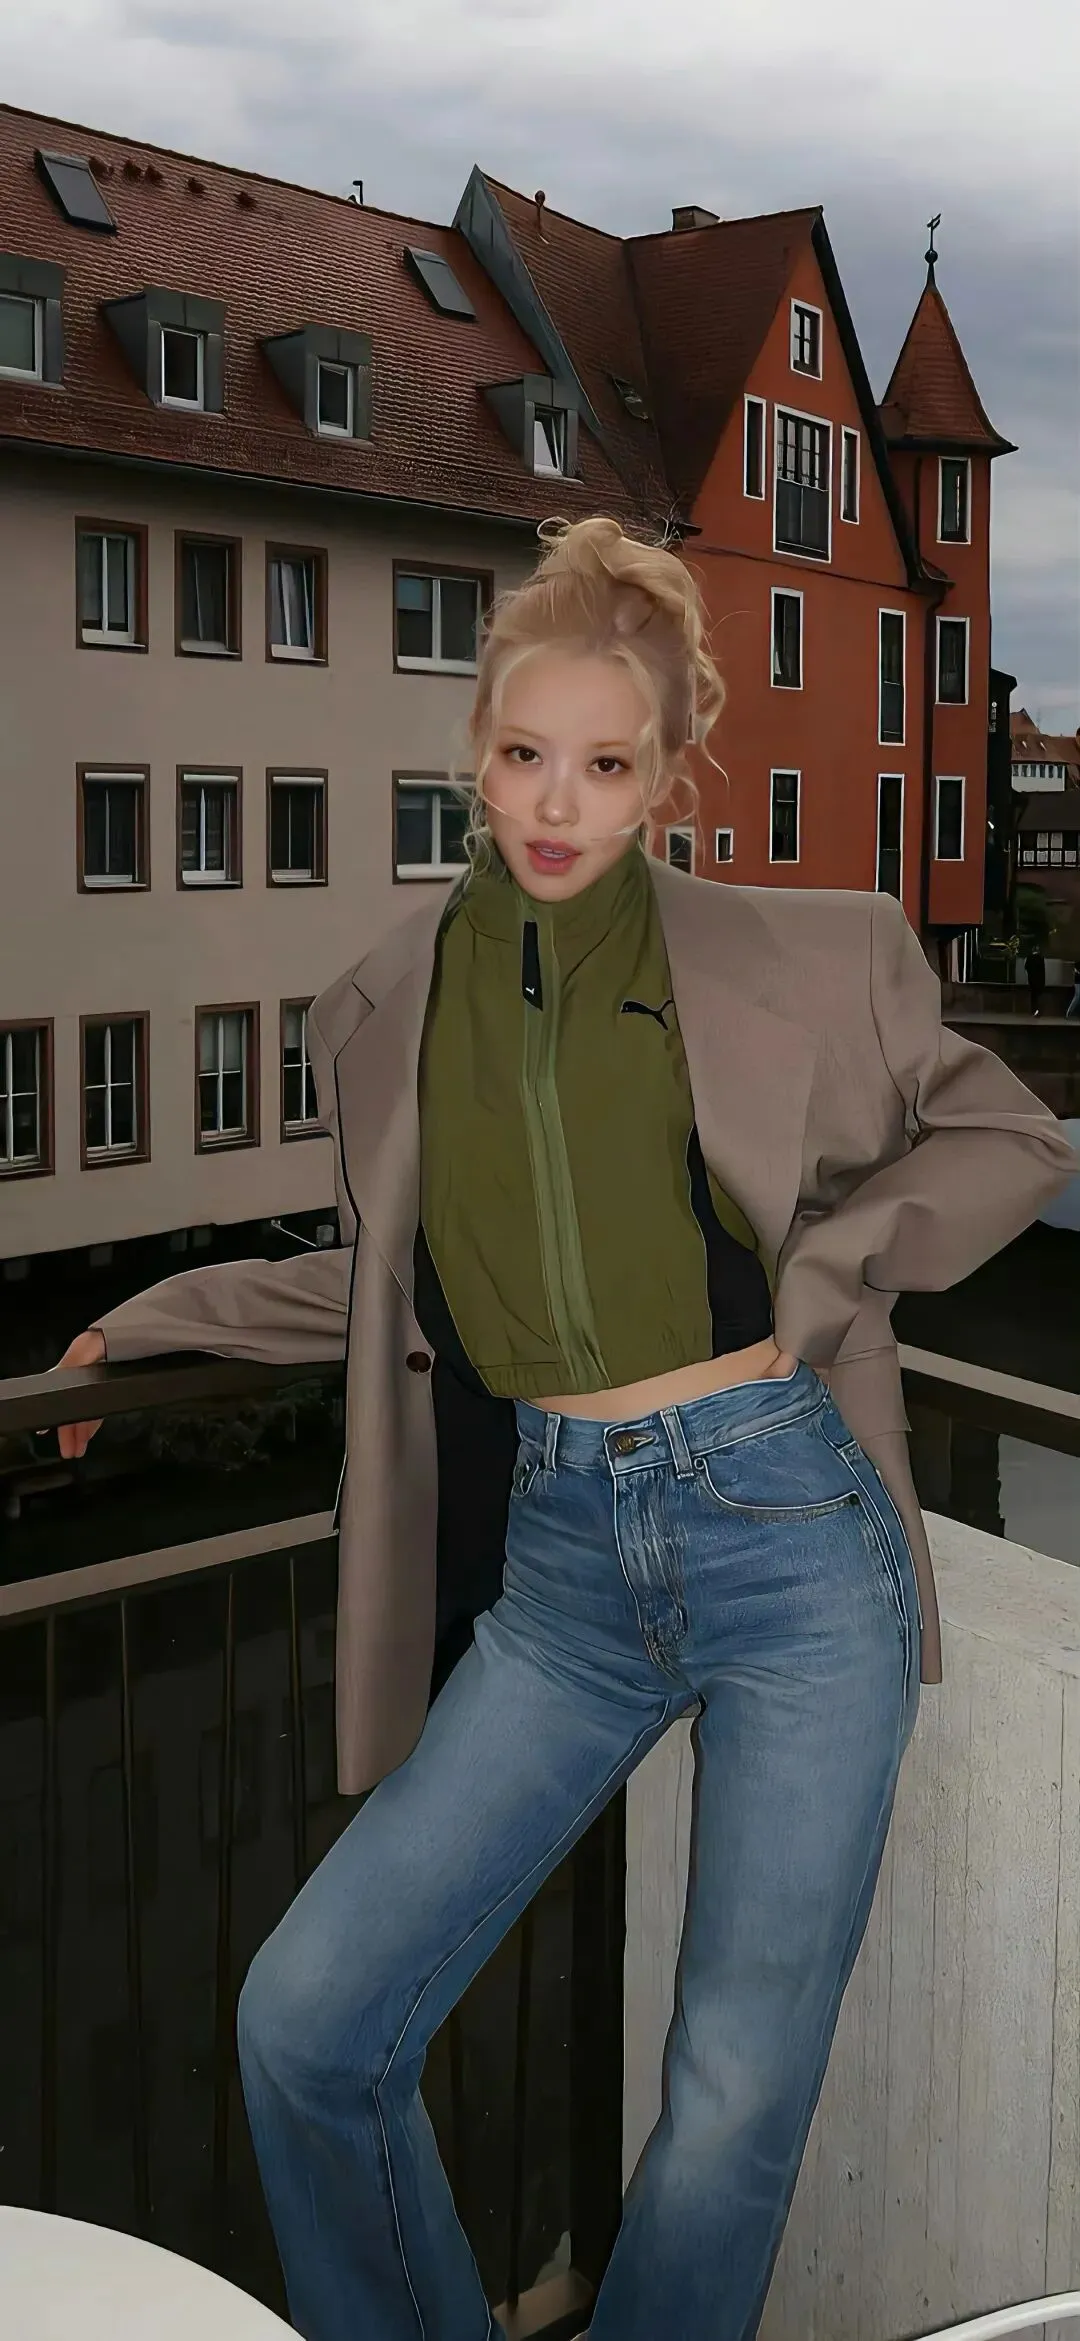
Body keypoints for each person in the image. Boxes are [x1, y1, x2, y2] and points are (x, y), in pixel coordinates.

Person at [54, 516, 1076, 2341]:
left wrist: (832, 1263)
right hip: (561, 1573)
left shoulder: (811, 955)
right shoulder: (391, 1006)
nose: (554, 800)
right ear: (478, 747)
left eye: (606, 765)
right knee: (309, 2021)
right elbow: (395, 1284)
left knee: (733, 2096)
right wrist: (150, 1318)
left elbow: (1011, 1135)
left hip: (790, 1545)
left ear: (666, 778)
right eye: (526, 751)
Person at [1024, 945, 1047, 1016]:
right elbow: (1043, 971)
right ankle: (1038, 1011)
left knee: (1033, 996)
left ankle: (1033, 1010)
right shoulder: (1041, 958)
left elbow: (1026, 967)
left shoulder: (1029, 957)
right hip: (1039, 980)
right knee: (1039, 996)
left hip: (1031, 980)